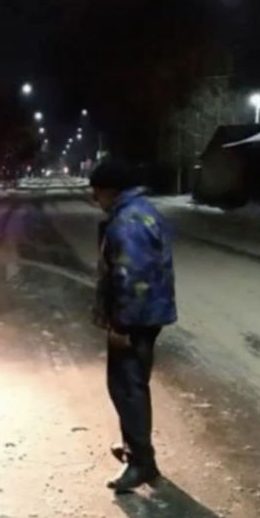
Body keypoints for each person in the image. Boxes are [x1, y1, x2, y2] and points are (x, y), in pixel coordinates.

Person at [90, 159, 177, 492]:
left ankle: (141, 462)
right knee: (131, 385)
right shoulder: (141, 211)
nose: (95, 199)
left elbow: (131, 278)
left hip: (136, 318)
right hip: (147, 314)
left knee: (128, 388)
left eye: (97, 192)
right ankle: (136, 449)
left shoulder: (128, 222)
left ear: (111, 190)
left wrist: (121, 325)